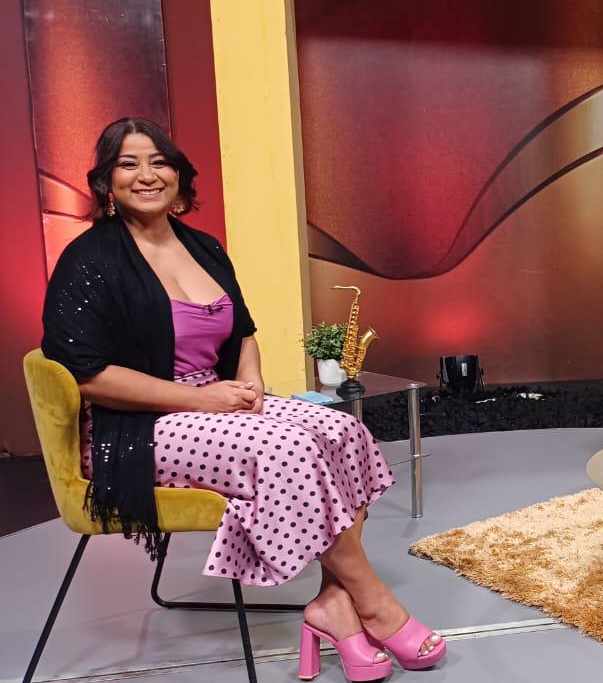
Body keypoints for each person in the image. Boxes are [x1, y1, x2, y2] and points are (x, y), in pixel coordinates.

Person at [41, 118, 443, 681]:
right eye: (128, 164)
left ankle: (333, 604)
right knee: (286, 450)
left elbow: (243, 333)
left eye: (158, 162)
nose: (146, 175)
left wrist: (250, 383)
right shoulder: (88, 260)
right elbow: (87, 376)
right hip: (138, 425)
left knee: (342, 430)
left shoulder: (204, 247)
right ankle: (373, 603)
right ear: (107, 180)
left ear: (178, 175)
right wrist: (200, 400)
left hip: (217, 399)